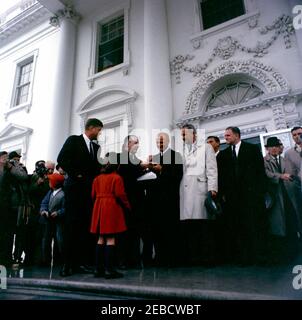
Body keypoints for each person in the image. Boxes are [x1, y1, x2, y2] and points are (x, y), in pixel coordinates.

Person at [57, 118, 103, 276]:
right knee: (71, 227)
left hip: (89, 193)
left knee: (85, 228)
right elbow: (62, 159)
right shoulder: (74, 140)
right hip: (74, 190)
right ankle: (66, 264)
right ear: (90, 128)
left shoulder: (97, 147)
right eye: (98, 129)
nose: (99, 133)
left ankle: (82, 263)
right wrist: (77, 174)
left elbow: (96, 169)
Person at [217, 126, 267, 265]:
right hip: (233, 199)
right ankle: (241, 257)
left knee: (253, 226)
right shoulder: (223, 154)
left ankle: (258, 257)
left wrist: (260, 193)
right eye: (225, 135)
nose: (225, 138)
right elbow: (221, 177)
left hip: (251, 197)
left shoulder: (252, 149)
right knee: (237, 227)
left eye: (228, 135)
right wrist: (223, 195)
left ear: (237, 135)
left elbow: (260, 172)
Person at [180, 124, 218, 265]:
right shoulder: (182, 150)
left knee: (203, 226)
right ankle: (193, 258)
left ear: (194, 134)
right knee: (190, 226)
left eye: (185, 134)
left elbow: (212, 169)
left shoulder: (206, 147)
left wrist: (213, 188)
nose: (183, 137)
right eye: (182, 135)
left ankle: (208, 258)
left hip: (200, 189)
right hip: (185, 190)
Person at [91, 152, 131, 279]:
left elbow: (92, 195)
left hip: (99, 207)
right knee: (111, 238)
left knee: (100, 238)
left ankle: (98, 269)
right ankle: (109, 270)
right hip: (111, 206)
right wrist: (128, 206)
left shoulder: (97, 178)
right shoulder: (117, 178)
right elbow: (120, 194)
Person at [145, 132, 183, 266]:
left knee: (170, 230)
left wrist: (162, 170)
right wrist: (148, 167)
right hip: (154, 201)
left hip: (169, 200)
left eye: (161, 142)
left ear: (167, 142)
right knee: (157, 230)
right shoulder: (153, 157)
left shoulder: (176, 155)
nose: (159, 144)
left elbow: (178, 176)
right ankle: (159, 257)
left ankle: (170, 259)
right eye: (157, 142)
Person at [264, 137, 302, 263]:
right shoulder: (264, 161)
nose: (274, 148)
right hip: (275, 198)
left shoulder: (285, 160)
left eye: (276, 146)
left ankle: (294, 251)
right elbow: (267, 174)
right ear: (267, 149)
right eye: (271, 146)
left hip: (289, 196)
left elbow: (294, 175)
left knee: (291, 221)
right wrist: (280, 176)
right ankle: (282, 254)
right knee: (279, 225)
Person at [116, 135, 147, 268]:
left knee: (134, 231)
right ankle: (123, 260)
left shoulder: (134, 159)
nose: (138, 145)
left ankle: (133, 259)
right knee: (125, 232)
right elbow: (127, 174)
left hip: (137, 201)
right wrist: (143, 167)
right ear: (128, 144)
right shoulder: (122, 157)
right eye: (136, 143)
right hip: (126, 201)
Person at [0, 151, 28, 267]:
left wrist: (11, 167)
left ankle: (6, 259)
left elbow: (23, 176)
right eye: (4, 158)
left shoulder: (13, 166)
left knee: (8, 233)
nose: (6, 160)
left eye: (7, 158)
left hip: (10, 205)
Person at [39, 173, 65, 266]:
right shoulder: (50, 192)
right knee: (46, 239)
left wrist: (58, 213)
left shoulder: (63, 194)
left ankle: (58, 260)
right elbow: (44, 203)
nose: (49, 182)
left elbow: (65, 207)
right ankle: (46, 259)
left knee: (59, 240)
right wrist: (43, 210)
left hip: (58, 221)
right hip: (48, 219)